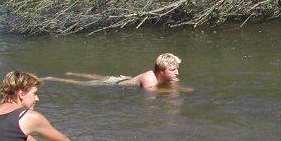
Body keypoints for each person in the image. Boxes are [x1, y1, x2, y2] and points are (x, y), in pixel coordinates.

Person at [45, 53, 186, 91]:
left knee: (103, 77)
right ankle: (54, 78)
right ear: (161, 71)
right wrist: (177, 92)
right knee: (84, 84)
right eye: (173, 70)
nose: (177, 73)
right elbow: (154, 93)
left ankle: (73, 72)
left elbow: (175, 86)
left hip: (125, 78)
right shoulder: (149, 79)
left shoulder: (170, 77)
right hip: (116, 84)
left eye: (176, 69)